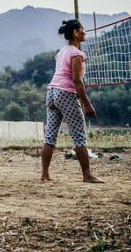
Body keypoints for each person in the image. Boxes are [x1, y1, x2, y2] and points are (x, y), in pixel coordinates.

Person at [41, 20, 103, 183]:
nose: (85, 31)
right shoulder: (76, 54)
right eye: (82, 29)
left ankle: (44, 174)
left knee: (50, 136)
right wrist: (87, 104)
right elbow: (77, 81)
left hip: (52, 92)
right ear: (76, 32)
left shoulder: (61, 51)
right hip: (65, 93)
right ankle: (87, 175)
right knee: (79, 135)